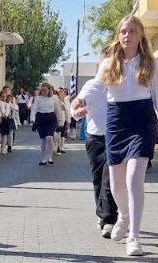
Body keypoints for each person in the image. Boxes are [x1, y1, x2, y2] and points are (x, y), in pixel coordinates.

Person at [94, 15, 157, 256]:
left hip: (142, 121)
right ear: (118, 36)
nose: (126, 35)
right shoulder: (109, 63)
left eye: (131, 31)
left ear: (140, 36)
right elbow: (95, 87)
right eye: (123, 31)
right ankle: (124, 216)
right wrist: (79, 102)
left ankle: (135, 237)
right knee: (117, 185)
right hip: (116, 121)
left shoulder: (150, 64)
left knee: (133, 180)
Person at [71, 47, 118, 239]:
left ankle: (109, 219)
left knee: (110, 177)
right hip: (94, 138)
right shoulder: (92, 85)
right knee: (98, 178)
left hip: (116, 138)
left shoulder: (121, 85)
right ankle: (102, 213)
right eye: (104, 62)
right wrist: (77, 112)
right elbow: (75, 107)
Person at [30, 83, 60, 166]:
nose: (43, 91)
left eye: (45, 90)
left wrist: (60, 121)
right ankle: (43, 156)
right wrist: (32, 119)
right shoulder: (38, 98)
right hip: (41, 118)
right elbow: (34, 109)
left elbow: (58, 110)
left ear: (49, 90)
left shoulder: (54, 98)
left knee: (50, 138)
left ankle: (48, 157)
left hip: (51, 118)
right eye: (42, 90)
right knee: (43, 139)